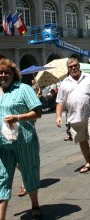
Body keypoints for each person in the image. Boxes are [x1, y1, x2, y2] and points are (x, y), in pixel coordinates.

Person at [0, 58, 43, 220]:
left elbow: (38, 112)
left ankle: (35, 205)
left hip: (24, 141)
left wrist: (18, 117)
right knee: (2, 177)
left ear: (13, 74)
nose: (3, 75)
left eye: (6, 72)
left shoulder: (23, 89)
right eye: (0, 72)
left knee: (29, 171)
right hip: (2, 144)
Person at [56, 58, 90, 173]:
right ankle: (88, 162)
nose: (73, 68)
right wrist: (58, 116)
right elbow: (60, 101)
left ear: (79, 66)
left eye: (75, 65)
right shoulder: (64, 83)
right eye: (71, 67)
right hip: (75, 116)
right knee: (82, 140)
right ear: (68, 69)